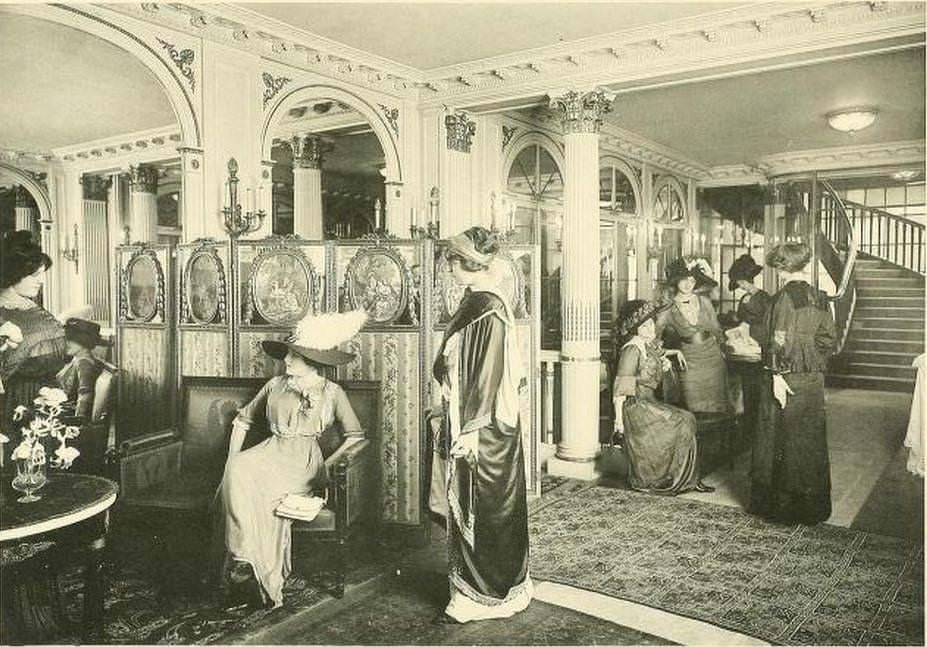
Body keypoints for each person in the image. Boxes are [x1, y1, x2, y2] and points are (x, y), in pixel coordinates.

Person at [215, 309, 366, 609]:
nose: (285, 361)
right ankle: (245, 563)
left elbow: (355, 436)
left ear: (313, 362)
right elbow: (243, 420)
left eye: (293, 357)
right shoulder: (274, 385)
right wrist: (231, 461)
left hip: (303, 462)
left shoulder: (332, 392)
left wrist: (328, 466)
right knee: (239, 471)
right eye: (287, 355)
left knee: (262, 490)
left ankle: (249, 570)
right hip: (269, 451)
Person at [431, 226, 532, 623]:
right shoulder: (479, 301)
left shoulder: (486, 307)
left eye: (452, 262)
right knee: (487, 508)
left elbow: (485, 374)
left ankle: (487, 592)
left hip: (484, 430)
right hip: (480, 422)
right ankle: (482, 588)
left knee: (486, 507)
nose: (449, 269)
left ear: (465, 263)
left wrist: (470, 430)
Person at [749, 242, 836, 525]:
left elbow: (778, 340)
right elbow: (828, 340)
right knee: (809, 441)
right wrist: (810, 358)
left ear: (780, 269)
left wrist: (777, 375)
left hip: (784, 376)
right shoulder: (821, 297)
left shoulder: (782, 299)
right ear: (804, 266)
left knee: (779, 438)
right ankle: (812, 509)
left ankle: (784, 509)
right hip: (812, 377)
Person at [613, 300, 714, 495]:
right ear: (635, 330)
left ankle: (687, 478)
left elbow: (658, 354)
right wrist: (618, 422)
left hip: (648, 403)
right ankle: (670, 478)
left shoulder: (647, 345)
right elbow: (621, 390)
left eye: (651, 322)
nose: (651, 327)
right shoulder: (631, 350)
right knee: (682, 421)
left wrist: (670, 356)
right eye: (644, 325)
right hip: (635, 407)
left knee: (688, 418)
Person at [0, 231, 68, 430]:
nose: (41, 281)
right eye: (34, 275)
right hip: (14, 401)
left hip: (47, 398)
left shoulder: (29, 307)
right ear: (15, 273)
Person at [656, 257, 730, 413]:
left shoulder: (704, 301)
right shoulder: (668, 308)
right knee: (694, 409)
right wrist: (667, 353)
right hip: (689, 361)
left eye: (692, 280)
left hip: (713, 360)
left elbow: (717, 329)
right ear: (676, 282)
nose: (688, 284)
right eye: (683, 280)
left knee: (718, 409)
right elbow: (653, 337)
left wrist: (723, 349)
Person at [56, 318, 105, 421]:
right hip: (62, 406)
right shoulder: (77, 358)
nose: (67, 343)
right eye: (67, 339)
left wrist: (78, 421)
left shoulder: (84, 363)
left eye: (72, 340)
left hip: (68, 414)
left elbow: (85, 394)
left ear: (84, 342)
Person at [728, 253, 772, 345]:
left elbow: (769, 320)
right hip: (744, 337)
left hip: (760, 337)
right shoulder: (743, 298)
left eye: (740, 283)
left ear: (744, 281)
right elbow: (739, 318)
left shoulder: (764, 297)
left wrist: (749, 325)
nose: (740, 286)